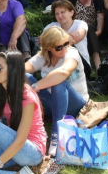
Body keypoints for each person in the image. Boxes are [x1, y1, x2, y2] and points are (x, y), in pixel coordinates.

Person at [26, 26, 89, 156]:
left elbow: (63, 71)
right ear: (49, 47)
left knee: (58, 82)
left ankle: (57, 133)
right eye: (59, 47)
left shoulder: (72, 53)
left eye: (66, 43)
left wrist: (36, 87)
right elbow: (24, 68)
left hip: (76, 105)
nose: (64, 49)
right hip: (52, 103)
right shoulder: (43, 57)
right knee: (24, 77)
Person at [44, 0, 91, 80]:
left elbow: (76, 38)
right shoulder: (52, 26)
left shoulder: (80, 24)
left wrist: (54, 39)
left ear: (71, 13)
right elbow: (42, 40)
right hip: (59, 65)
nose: (60, 16)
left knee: (68, 47)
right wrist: (70, 34)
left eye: (62, 12)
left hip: (82, 65)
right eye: (57, 14)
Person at [67, 0, 105, 71]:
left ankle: (98, 65)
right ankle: (96, 65)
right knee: (85, 25)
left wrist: (99, 31)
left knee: (88, 26)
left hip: (92, 29)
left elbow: (100, 15)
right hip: (76, 29)